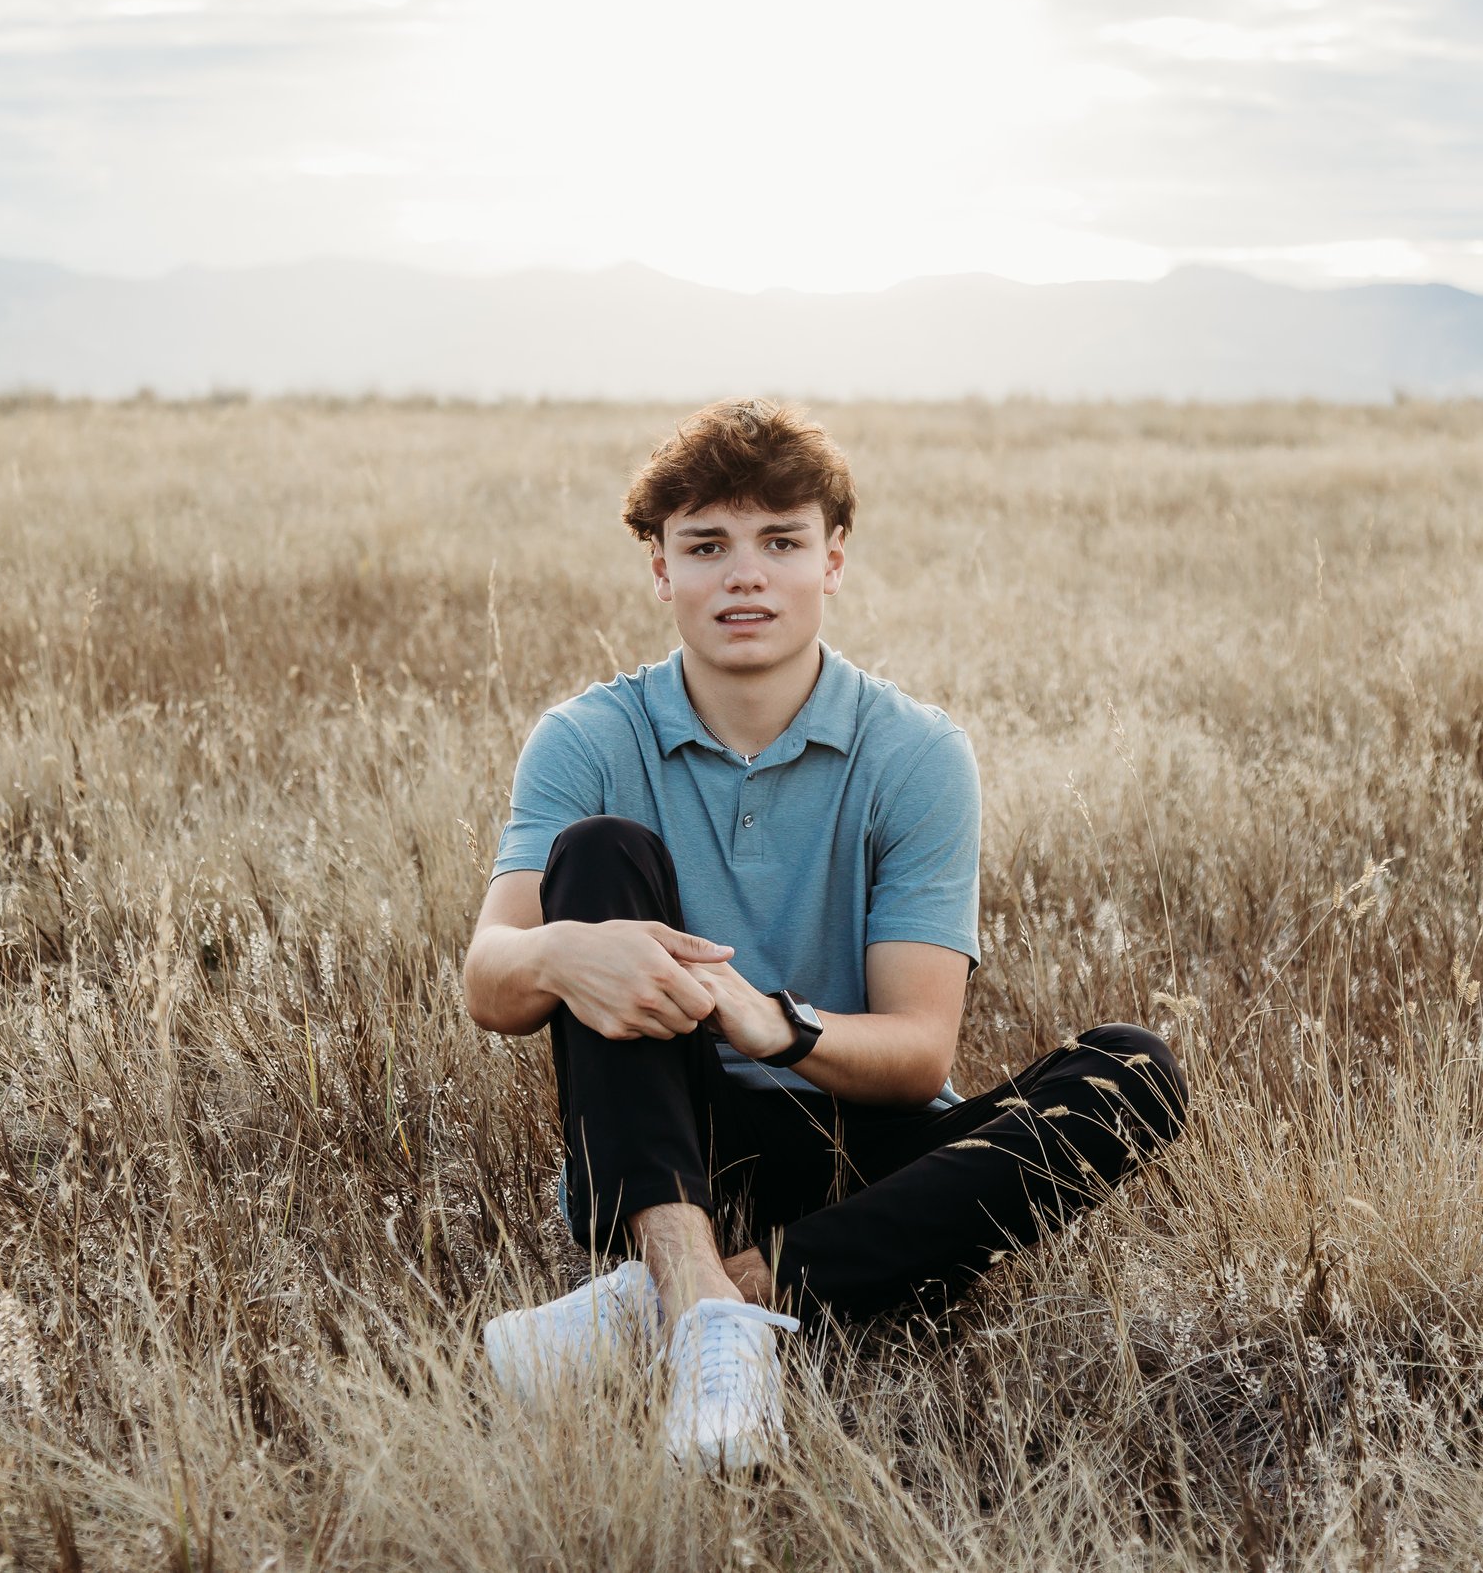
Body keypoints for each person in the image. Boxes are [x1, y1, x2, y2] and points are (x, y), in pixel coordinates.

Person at [461, 398, 1189, 1469]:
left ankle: (698, 1299)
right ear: (660, 569)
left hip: (860, 1147)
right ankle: (690, 1274)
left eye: (780, 542)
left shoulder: (914, 751)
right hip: (667, 1142)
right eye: (706, 545)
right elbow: (490, 981)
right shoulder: (587, 738)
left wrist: (775, 1026)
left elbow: (917, 1054)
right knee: (598, 853)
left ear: (831, 561)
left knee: (1134, 1073)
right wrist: (560, 951)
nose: (743, 575)